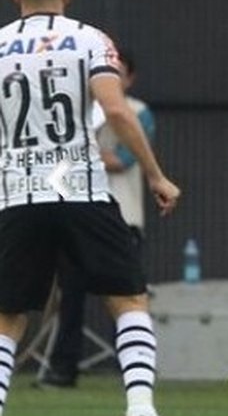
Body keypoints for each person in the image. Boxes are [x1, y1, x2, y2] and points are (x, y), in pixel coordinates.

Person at [0, 0, 190, 416]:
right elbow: (115, 109)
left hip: (18, 194)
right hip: (82, 189)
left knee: (7, 317)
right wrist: (155, 174)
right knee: (128, 300)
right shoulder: (89, 39)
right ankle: (141, 408)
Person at [38, 49, 155, 389]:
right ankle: (63, 367)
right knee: (70, 295)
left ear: (129, 79)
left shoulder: (138, 112)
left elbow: (124, 160)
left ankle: (133, 371)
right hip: (75, 207)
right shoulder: (76, 109)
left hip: (123, 212)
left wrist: (82, 152)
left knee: (126, 294)